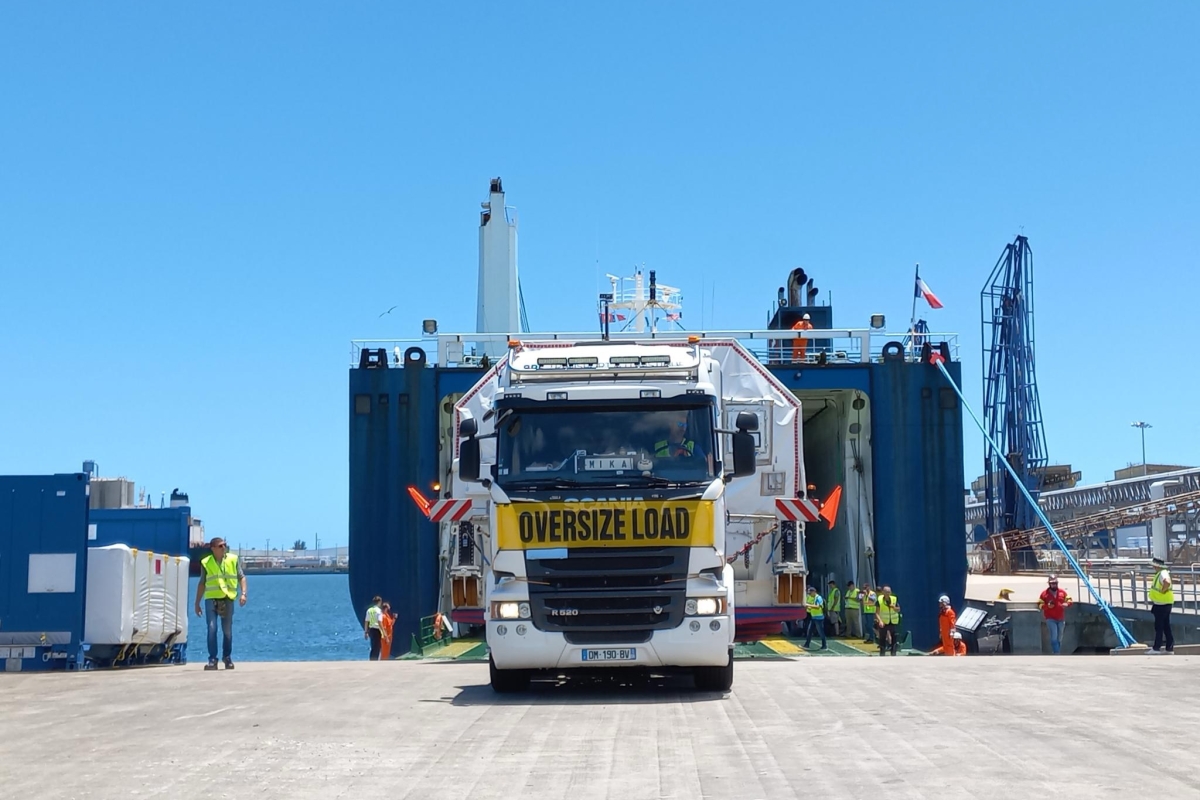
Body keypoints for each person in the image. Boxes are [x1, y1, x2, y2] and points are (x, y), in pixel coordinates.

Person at [192, 537, 246, 671]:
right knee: (212, 629)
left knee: (227, 631)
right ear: (213, 548)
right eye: (221, 546)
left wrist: (243, 594)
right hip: (211, 599)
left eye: (225, 545)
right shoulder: (206, 562)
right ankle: (212, 660)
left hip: (227, 598)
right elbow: (202, 583)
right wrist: (197, 603)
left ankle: (227, 658)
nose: (224, 548)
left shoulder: (233, 559)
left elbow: (241, 577)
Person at [1038, 574, 1073, 655]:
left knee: (1060, 637)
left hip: (1061, 618)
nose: (1054, 585)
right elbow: (1039, 604)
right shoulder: (1044, 594)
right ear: (1049, 584)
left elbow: (1069, 600)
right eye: (1052, 583)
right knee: (1054, 635)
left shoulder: (1062, 592)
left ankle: (1056, 651)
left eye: (1055, 583)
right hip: (1050, 618)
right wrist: (1047, 606)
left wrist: (1067, 604)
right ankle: (1056, 653)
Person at [1147, 557, 1175, 654]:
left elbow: (1167, 582)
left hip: (1161, 604)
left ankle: (1156, 648)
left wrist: (1163, 590)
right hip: (1163, 603)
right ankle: (1169, 648)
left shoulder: (1162, 573)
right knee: (1166, 626)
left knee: (1159, 626)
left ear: (1156, 566)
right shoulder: (1162, 573)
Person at [876, 585, 900, 656]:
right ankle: (882, 654)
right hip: (884, 622)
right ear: (883, 592)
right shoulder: (879, 600)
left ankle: (893, 654)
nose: (888, 593)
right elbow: (877, 613)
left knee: (894, 638)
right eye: (886, 592)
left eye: (889, 592)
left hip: (893, 622)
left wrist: (894, 607)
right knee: (882, 639)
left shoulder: (894, 599)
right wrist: (880, 621)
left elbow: (898, 609)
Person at [802, 585, 827, 650]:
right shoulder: (813, 598)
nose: (809, 594)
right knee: (809, 631)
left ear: (814, 592)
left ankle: (824, 646)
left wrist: (808, 605)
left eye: (810, 593)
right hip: (813, 617)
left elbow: (818, 606)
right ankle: (807, 645)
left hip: (819, 618)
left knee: (821, 632)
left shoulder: (818, 598)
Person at [364, 596, 384, 660]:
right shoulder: (379, 611)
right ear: (379, 602)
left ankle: (372, 659)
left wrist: (366, 632)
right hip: (377, 630)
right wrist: (383, 631)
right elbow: (379, 622)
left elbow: (366, 621)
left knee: (373, 645)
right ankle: (375, 659)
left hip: (371, 630)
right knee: (377, 646)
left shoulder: (369, 610)